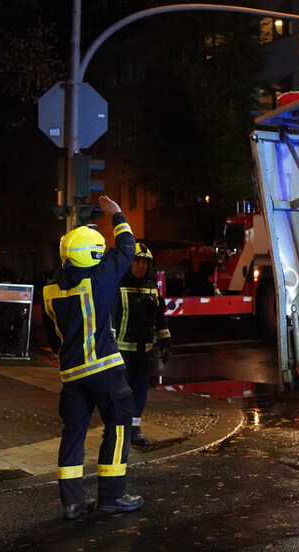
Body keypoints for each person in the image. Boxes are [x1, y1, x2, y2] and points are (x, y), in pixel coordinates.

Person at [42, 195, 142, 520]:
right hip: (105, 371)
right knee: (119, 425)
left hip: (71, 375)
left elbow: (50, 336)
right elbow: (127, 249)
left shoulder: (50, 291)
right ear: (93, 255)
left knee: (73, 434)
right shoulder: (99, 280)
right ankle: (112, 498)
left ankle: (71, 504)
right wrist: (117, 215)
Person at [114, 243, 172, 447]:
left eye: (144, 262)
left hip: (143, 353)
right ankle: (117, 431)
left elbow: (160, 319)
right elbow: (110, 320)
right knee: (120, 395)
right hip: (120, 354)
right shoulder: (117, 286)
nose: (140, 266)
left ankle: (134, 431)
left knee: (139, 392)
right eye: (136, 261)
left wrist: (165, 342)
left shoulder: (152, 288)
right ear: (129, 263)